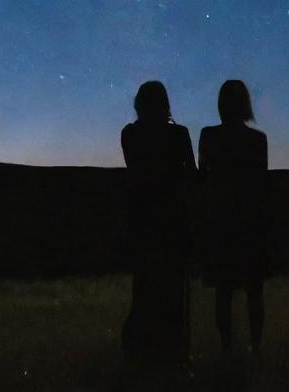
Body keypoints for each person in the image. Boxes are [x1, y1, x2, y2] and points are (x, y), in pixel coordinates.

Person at [120, 80, 196, 365]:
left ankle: (141, 353)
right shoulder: (179, 134)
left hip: (144, 220)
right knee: (173, 292)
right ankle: (172, 353)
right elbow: (191, 177)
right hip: (173, 221)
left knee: (144, 290)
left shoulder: (130, 134)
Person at [198, 79, 269, 354]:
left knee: (223, 290)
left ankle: (227, 346)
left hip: (221, 218)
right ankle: (255, 345)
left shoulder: (209, 135)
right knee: (254, 289)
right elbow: (260, 181)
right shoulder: (257, 140)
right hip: (249, 218)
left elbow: (203, 173)